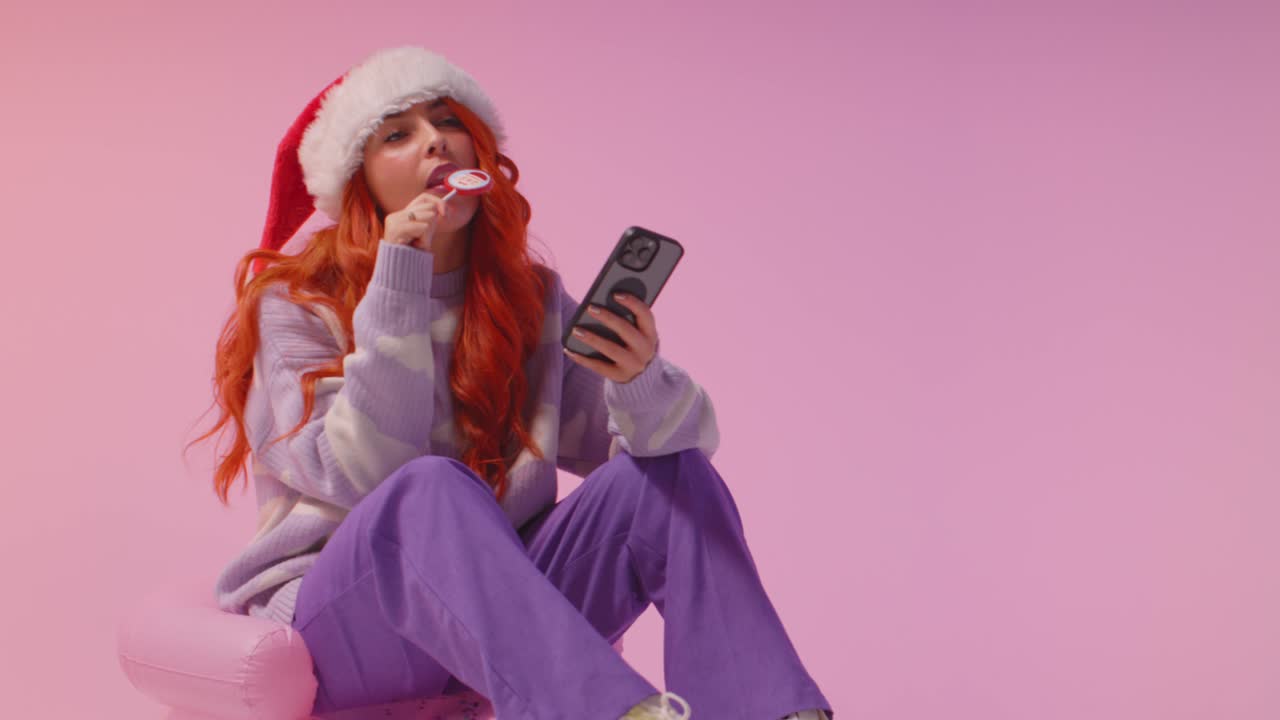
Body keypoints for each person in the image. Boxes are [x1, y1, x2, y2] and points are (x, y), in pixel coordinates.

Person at [192, 45, 834, 720]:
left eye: (448, 121)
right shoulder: (295, 305)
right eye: (397, 134)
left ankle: (768, 711)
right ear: (359, 180)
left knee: (669, 474)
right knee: (429, 486)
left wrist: (639, 378)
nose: (435, 140)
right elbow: (365, 473)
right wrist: (399, 284)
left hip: (502, 610)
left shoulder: (524, 300)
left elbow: (651, 449)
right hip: (354, 621)